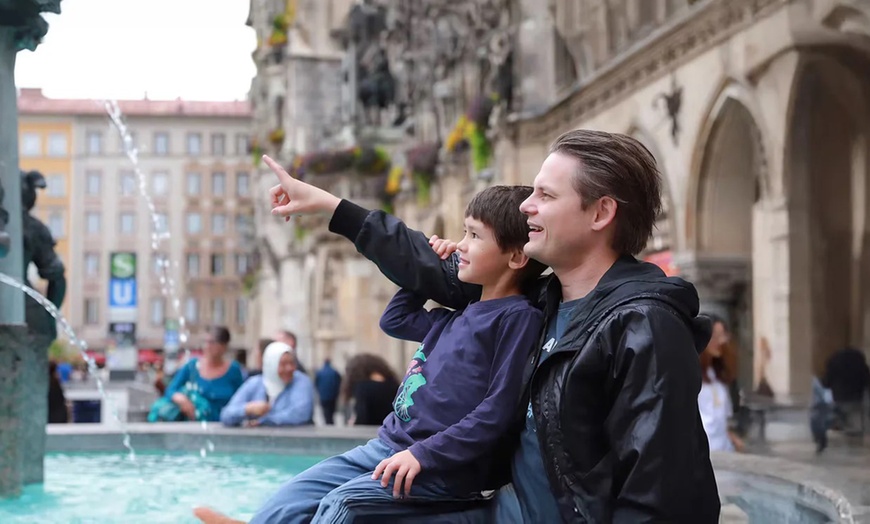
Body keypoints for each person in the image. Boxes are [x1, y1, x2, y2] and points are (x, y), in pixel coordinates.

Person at [256, 128, 721, 522]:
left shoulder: (644, 324)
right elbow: (426, 265)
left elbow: (665, 492)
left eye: (546, 195)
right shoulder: (539, 297)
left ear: (600, 213)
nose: (526, 207)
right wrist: (333, 207)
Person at [195, 183, 545, 524]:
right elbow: (395, 320)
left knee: (341, 504)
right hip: (387, 446)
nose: (461, 246)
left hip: (437, 466)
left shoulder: (517, 318)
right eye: (463, 233)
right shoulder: (452, 318)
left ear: (515, 256)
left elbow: (495, 411)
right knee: (293, 495)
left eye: (474, 236)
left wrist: (423, 455)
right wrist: (430, 269)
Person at [148, 326, 245, 422]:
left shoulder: (233, 370)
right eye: (205, 342)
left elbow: (242, 398)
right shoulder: (192, 366)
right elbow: (171, 389)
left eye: (212, 342)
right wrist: (181, 399)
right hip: (194, 426)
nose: (207, 346)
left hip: (222, 427)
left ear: (224, 346)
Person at [220, 342, 314, 427]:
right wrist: (248, 409)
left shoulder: (301, 381)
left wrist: (263, 420)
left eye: (292, 363)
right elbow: (226, 415)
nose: (289, 368)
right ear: (271, 365)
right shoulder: (255, 383)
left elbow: (300, 414)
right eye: (283, 364)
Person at [698, 317, 744, 452]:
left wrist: (732, 438)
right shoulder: (691, 375)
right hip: (703, 451)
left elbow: (719, 419)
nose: (721, 341)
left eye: (723, 336)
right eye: (716, 336)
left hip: (723, 449)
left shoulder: (717, 375)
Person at [342, 353, 400, 426]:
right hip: (392, 432)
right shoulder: (395, 385)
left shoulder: (362, 388)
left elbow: (362, 418)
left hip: (371, 433)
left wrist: (354, 423)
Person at [315, 358, 342, 425]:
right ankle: (330, 422)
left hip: (323, 396)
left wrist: (320, 391)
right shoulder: (334, 372)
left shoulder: (320, 372)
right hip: (333, 396)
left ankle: (328, 422)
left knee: (325, 411)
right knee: (331, 411)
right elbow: (339, 382)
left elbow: (316, 383)